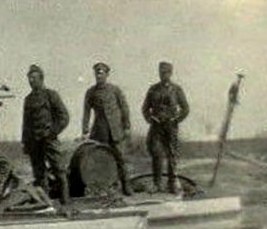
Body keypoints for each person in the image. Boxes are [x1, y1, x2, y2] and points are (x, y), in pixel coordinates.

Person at [81, 62, 133, 195]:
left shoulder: (115, 90)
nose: (99, 75)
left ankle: (126, 187)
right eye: (97, 73)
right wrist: (85, 130)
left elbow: (124, 108)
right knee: (102, 159)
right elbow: (86, 112)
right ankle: (104, 188)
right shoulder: (91, 92)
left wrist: (126, 126)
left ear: (107, 75)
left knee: (121, 158)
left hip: (116, 130)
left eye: (102, 73)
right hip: (100, 131)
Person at [22, 64, 70, 205]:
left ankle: (66, 201)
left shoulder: (51, 95)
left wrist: (52, 132)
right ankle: (45, 203)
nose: (31, 81)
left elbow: (64, 117)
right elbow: (26, 123)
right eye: (29, 78)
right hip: (34, 142)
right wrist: (26, 142)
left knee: (59, 170)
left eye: (34, 78)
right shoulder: (28, 99)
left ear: (41, 79)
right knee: (39, 173)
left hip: (49, 140)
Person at [142, 61, 191, 194]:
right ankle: (157, 184)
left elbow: (185, 108)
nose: (163, 75)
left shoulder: (177, 89)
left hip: (171, 127)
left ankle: (172, 184)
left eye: (166, 72)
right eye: (161, 72)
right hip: (156, 128)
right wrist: (150, 119)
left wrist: (176, 120)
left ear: (170, 73)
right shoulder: (153, 89)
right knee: (157, 154)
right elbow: (145, 108)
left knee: (172, 155)